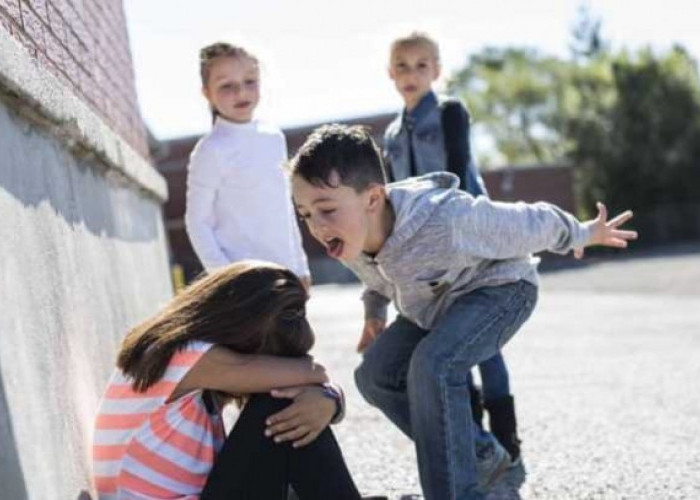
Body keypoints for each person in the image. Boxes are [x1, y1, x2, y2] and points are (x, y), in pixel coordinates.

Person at [289, 124, 637, 499]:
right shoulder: (349, 237)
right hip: (433, 306)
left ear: (373, 199)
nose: (316, 226)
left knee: (433, 365)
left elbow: (527, 221)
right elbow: (375, 280)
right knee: (374, 375)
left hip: (501, 290)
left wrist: (583, 233)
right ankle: (480, 454)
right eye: (305, 213)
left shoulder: (445, 219)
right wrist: (374, 313)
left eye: (325, 209)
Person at [93, 260, 387, 499]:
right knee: (276, 403)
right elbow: (315, 373)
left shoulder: (183, 358)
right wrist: (327, 396)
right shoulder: (186, 355)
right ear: (244, 329)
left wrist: (329, 400)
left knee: (289, 411)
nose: (268, 365)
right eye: (270, 356)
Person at [381, 31, 521, 464]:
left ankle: (507, 439)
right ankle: (477, 443)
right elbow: (392, 196)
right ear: (390, 73)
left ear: (437, 71)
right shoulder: (389, 134)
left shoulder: (450, 113)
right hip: (422, 254)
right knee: (447, 343)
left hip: (467, 240)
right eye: (402, 65)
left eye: (422, 65)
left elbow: (460, 172)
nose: (411, 74)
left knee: (485, 344)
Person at [185, 42, 311, 289]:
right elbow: (197, 222)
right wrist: (226, 277)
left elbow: (285, 209)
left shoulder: (274, 138)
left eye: (250, 81)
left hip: (286, 275)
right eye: (227, 86)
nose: (241, 93)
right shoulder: (211, 150)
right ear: (207, 93)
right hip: (244, 284)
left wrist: (301, 266)